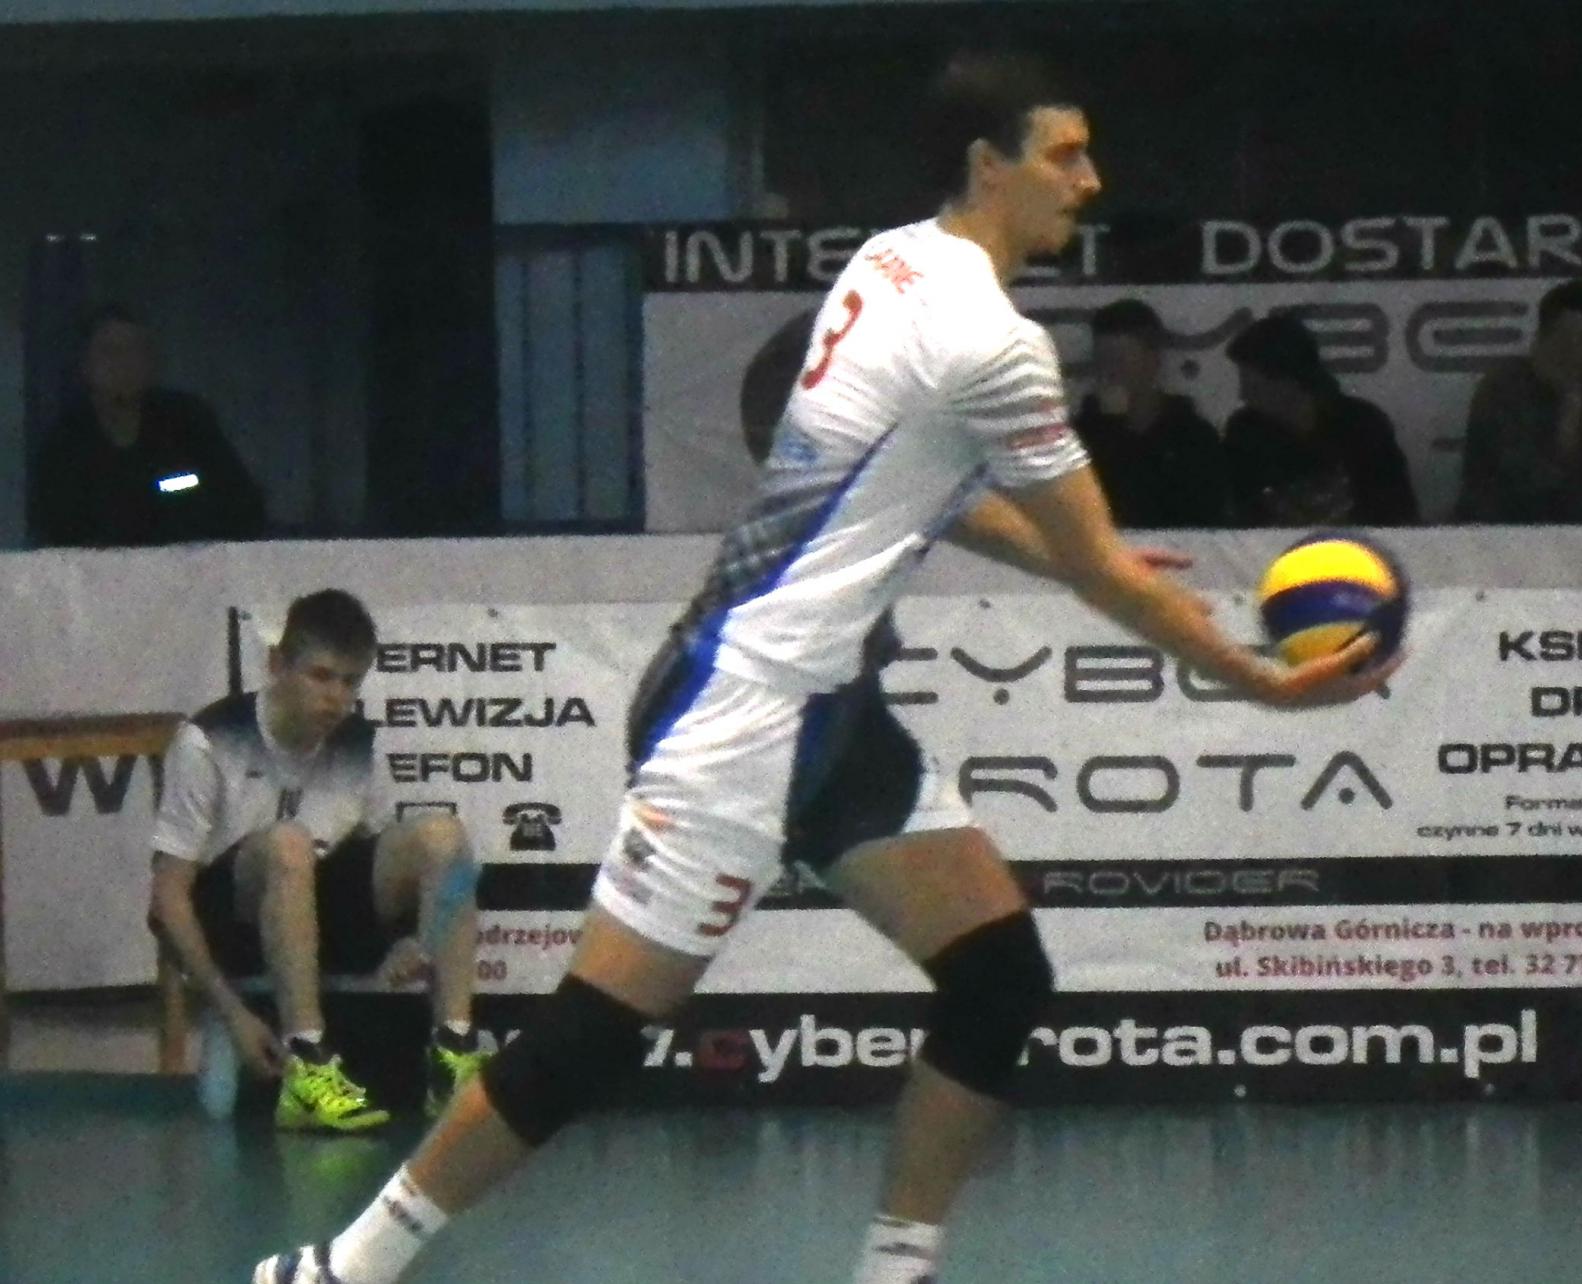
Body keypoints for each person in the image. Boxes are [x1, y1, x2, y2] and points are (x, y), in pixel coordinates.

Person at [255, 51, 1396, 1284]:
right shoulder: (992, 342)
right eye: (1065, 155)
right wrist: (1259, 681)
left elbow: (934, 495)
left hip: (833, 707)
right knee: (590, 1039)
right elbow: (1100, 570)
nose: (1091, 180)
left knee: (998, 977)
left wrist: (1088, 560)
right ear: (988, 165)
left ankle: (894, 1273)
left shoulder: (890, 262)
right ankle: (341, 1271)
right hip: (742, 714)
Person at [148, 589, 491, 1134]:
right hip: (236, 923)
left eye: (350, 682)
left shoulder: (358, 745)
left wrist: (416, 939)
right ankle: (307, 1062)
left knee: (445, 837)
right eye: (321, 676)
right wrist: (230, 1009)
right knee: (290, 843)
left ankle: (452, 1053)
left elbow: (378, 857)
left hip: (318, 912)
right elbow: (167, 895)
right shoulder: (209, 740)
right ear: (277, 665)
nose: (336, 699)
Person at [27, 304, 267, 548]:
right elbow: (58, 528)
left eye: (136, 351)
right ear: (85, 365)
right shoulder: (66, 442)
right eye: (110, 352)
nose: (125, 363)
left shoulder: (188, 422)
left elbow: (238, 503)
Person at [1453, 279, 1582, 524]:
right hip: (1496, 533)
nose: (1569, 351)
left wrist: (1573, 397)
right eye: (1562, 338)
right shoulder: (1502, 387)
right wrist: (1568, 406)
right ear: (1540, 338)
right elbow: (1521, 488)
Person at [1220, 311, 1419, 527]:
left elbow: (1396, 511)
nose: (1244, 395)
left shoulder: (1362, 426)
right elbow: (1241, 519)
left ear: (1289, 381)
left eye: (1254, 385)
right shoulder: (1245, 432)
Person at [1070, 297, 1227, 527]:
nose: (1109, 372)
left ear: (1152, 360)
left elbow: (1205, 516)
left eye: (1119, 360)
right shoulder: (1080, 438)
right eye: (1102, 360)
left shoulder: (1192, 437)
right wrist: (1109, 429)